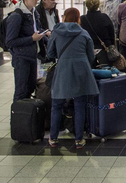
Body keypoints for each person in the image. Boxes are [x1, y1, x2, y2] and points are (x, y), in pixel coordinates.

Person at [46, 8, 98, 149]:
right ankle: (79, 139)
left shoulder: (56, 32)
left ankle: (53, 138)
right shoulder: (84, 33)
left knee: (56, 105)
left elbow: (50, 53)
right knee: (80, 105)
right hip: (81, 70)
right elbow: (91, 56)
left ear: (64, 18)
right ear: (78, 19)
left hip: (63, 69)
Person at [7, 0, 46, 101]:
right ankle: (18, 116)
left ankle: (28, 116)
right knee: (21, 91)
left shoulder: (34, 13)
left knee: (30, 88)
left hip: (32, 56)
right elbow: (10, 41)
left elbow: (36, 29)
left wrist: (44, 34)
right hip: (21, 58)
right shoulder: (17, 16)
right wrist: (31, 39)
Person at [80, 0, 116, 67]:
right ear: (98, 5)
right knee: (106, 70)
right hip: (104, 48)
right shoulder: (104, 17)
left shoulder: (82, 19)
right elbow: (112, 33)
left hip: (88, 49)